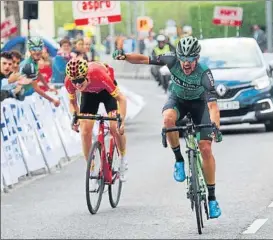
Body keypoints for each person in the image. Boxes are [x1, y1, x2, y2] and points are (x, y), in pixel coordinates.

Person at [112, 36, 222, 218]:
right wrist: (124, 56)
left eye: (190, 60)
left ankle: (212, 199)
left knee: (206, 148)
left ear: (197, 58)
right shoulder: (171, 59)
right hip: (178, 100)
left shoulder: (204, 74)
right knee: (168, 121)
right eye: (183, 59)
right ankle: (179, 160)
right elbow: (143, 59)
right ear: (178, 57)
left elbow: (213, 107)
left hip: (199, 105)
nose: (186, 64)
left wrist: (215, 127)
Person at [65, 58, 128, 181]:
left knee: (115, 127)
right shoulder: (69, 81)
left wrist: (122, 120)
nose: (77, 84)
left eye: (80, 80)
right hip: (89, 94)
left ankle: (123, 160)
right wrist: (75, 117)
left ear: (86, 75)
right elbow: (72, 103)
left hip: (106, 91)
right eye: (74, 81)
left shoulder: (99, 75)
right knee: (84, 131)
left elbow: (122, 99)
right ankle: (91, 168)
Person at [19, 36, 60, 107]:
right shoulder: (29, 65)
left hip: (26, 96)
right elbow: (36, 88)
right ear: (29, 50)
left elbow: (38, 73)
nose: (37, 52)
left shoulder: (34, 61)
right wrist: (52, 100)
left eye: (39, 49)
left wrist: (48, 87)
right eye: (34, 49)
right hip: (22, 97)